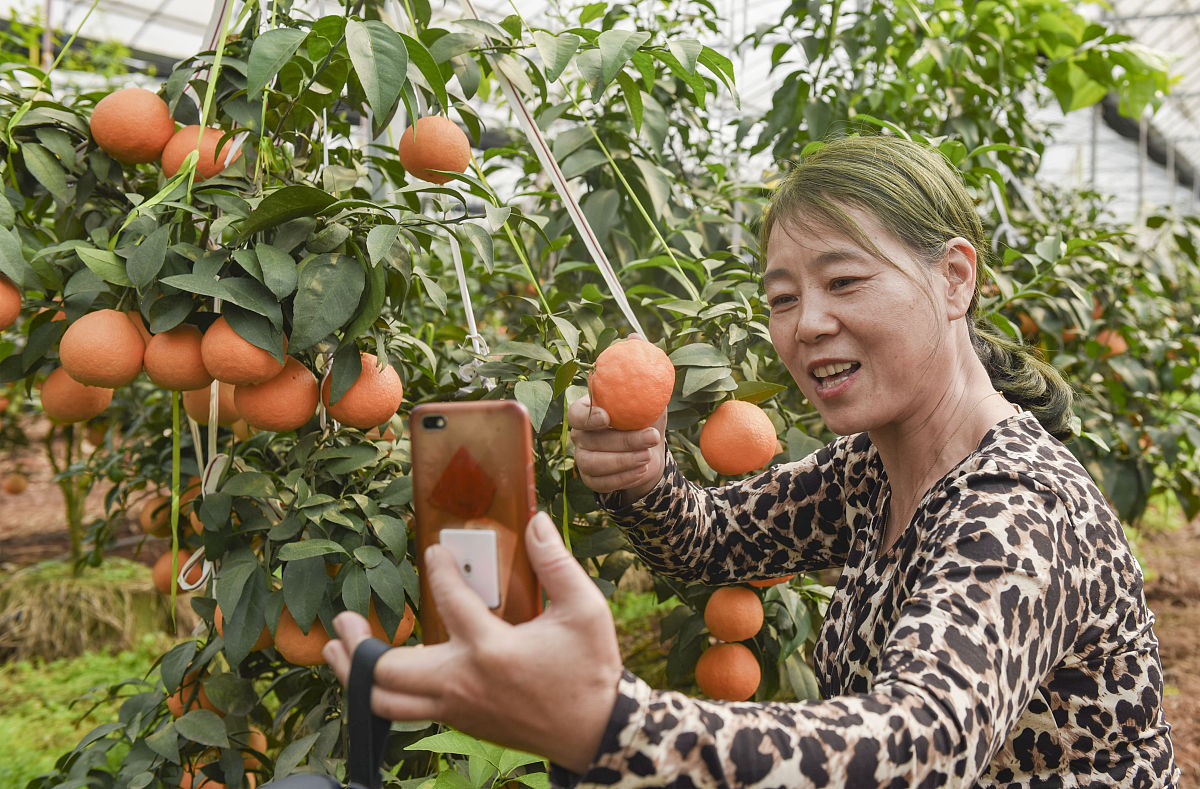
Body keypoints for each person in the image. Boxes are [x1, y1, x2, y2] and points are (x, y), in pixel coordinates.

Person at [324, 135, 1179, 787]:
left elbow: (916, 749)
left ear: (955, 279)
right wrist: (644, 478)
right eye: (782, 296)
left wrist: (606, 719)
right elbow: (715, 542)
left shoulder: (1019, 506)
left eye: (843, 282)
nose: (806, 323)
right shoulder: (871, 468)